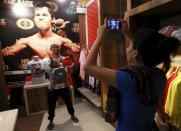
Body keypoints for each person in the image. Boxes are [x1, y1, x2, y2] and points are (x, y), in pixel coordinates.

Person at [84, 20, 179, 131]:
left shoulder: (127, 79)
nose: (127, 48)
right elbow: (140, 54)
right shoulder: (160, 75)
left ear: (135, 53)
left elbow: (88, 67)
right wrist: (127, 34)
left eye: (130, 46)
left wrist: (99, 37)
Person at [1, 2, 80, 59]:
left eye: (44, 15)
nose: (40, 18)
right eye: (37, 15)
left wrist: (76, 50)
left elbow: (79, 55)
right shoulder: (26, 41)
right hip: (38, 80)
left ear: (52, 19)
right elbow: (6, 52)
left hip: (58, 79)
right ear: (34, 19)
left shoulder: (62, 40)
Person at [43, 44, 79, 130]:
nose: (55, 49)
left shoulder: (64, 58)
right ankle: (51, 121)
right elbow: (47, 71)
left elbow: (70, 71)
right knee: (51, 105)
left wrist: (69, 66)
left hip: (63, 85)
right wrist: (54, 66)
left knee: (69, 102)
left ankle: (72, 115)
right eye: (53, 47)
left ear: (59, 48)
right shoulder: (48, 60)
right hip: (53, 87)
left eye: (57, 47)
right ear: (51, 49)